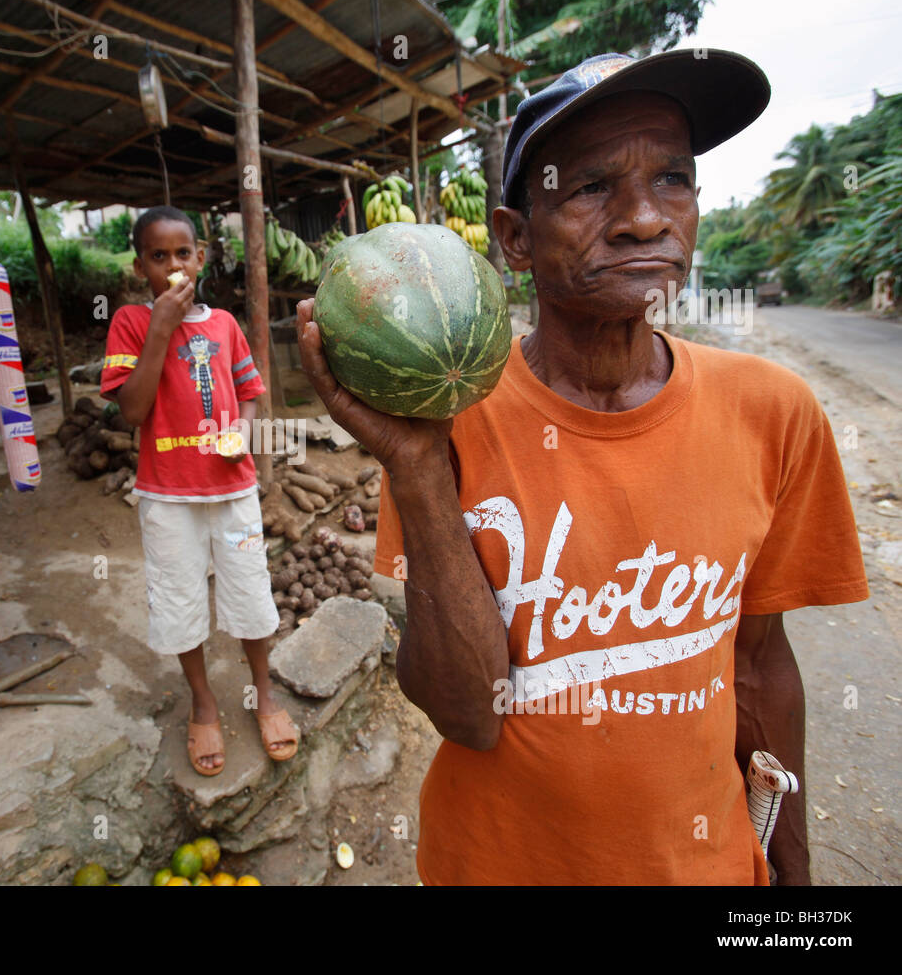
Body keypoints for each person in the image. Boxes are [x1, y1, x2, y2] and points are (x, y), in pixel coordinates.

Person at [295, 50, 869, 884]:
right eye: (594, 187)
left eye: (673, 178)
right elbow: (468, 716)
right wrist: (417, 469)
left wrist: (793, 873)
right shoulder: (444, 420)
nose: (645, 218)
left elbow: (759, 662)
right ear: (515, 238)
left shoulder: (772, 410)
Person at [101, 206, 299, 777]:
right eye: (157, 257)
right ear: (141, 266)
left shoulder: (226, 326)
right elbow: (133, 409)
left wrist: (242, 429)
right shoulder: (131, 324)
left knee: (250, 593)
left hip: (231, 487)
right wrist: (161, 325)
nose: (172, 267)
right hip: (167, 495)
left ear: (201, 257)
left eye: (182, 254)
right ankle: (204, 701)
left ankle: (263, 693)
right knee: (180, 599)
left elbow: (250, 390)